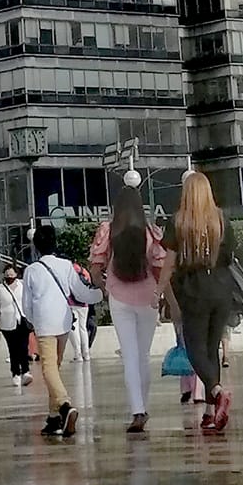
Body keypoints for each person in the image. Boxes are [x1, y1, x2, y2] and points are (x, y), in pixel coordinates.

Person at [162, 171, 237, 433]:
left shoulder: (178, 222)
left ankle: (217, 393)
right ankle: (209, 411)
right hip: (221, 289)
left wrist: (161, 292)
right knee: (212, 348)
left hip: (193, 290)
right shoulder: (221, 220)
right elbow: (229, 256)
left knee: (194, 349)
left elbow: (169, 264)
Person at [90, 183, 166, 433]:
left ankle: (137, 410)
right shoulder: (151, 232)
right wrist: (161, 294)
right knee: (143, 356)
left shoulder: (108, 230)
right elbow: (159, 265)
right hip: (148, 297)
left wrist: (103, 287)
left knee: (130, 356)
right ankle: (143, 405)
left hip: (119, 297)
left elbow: (95, 266)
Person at [21, 221, 102, 438]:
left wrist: (32, 321)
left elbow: (26, 305)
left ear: (36, 246)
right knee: (53, 368)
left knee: (48, 369)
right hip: (64, 321)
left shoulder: (31, 270)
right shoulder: (66, 265)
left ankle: (65, 405)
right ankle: (53, 417)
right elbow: (81, 293)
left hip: (44, 323)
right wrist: (101, 293)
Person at [0, 263, 30, 385]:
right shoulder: (0, 289)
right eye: (7, 275)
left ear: (16, 274)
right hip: (7, 323)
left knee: (23, 347)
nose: (9, 276)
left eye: (12, 274)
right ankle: (15, 373)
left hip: (22, 320)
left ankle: (26, 371)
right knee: (13, 349)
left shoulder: (22, 286)